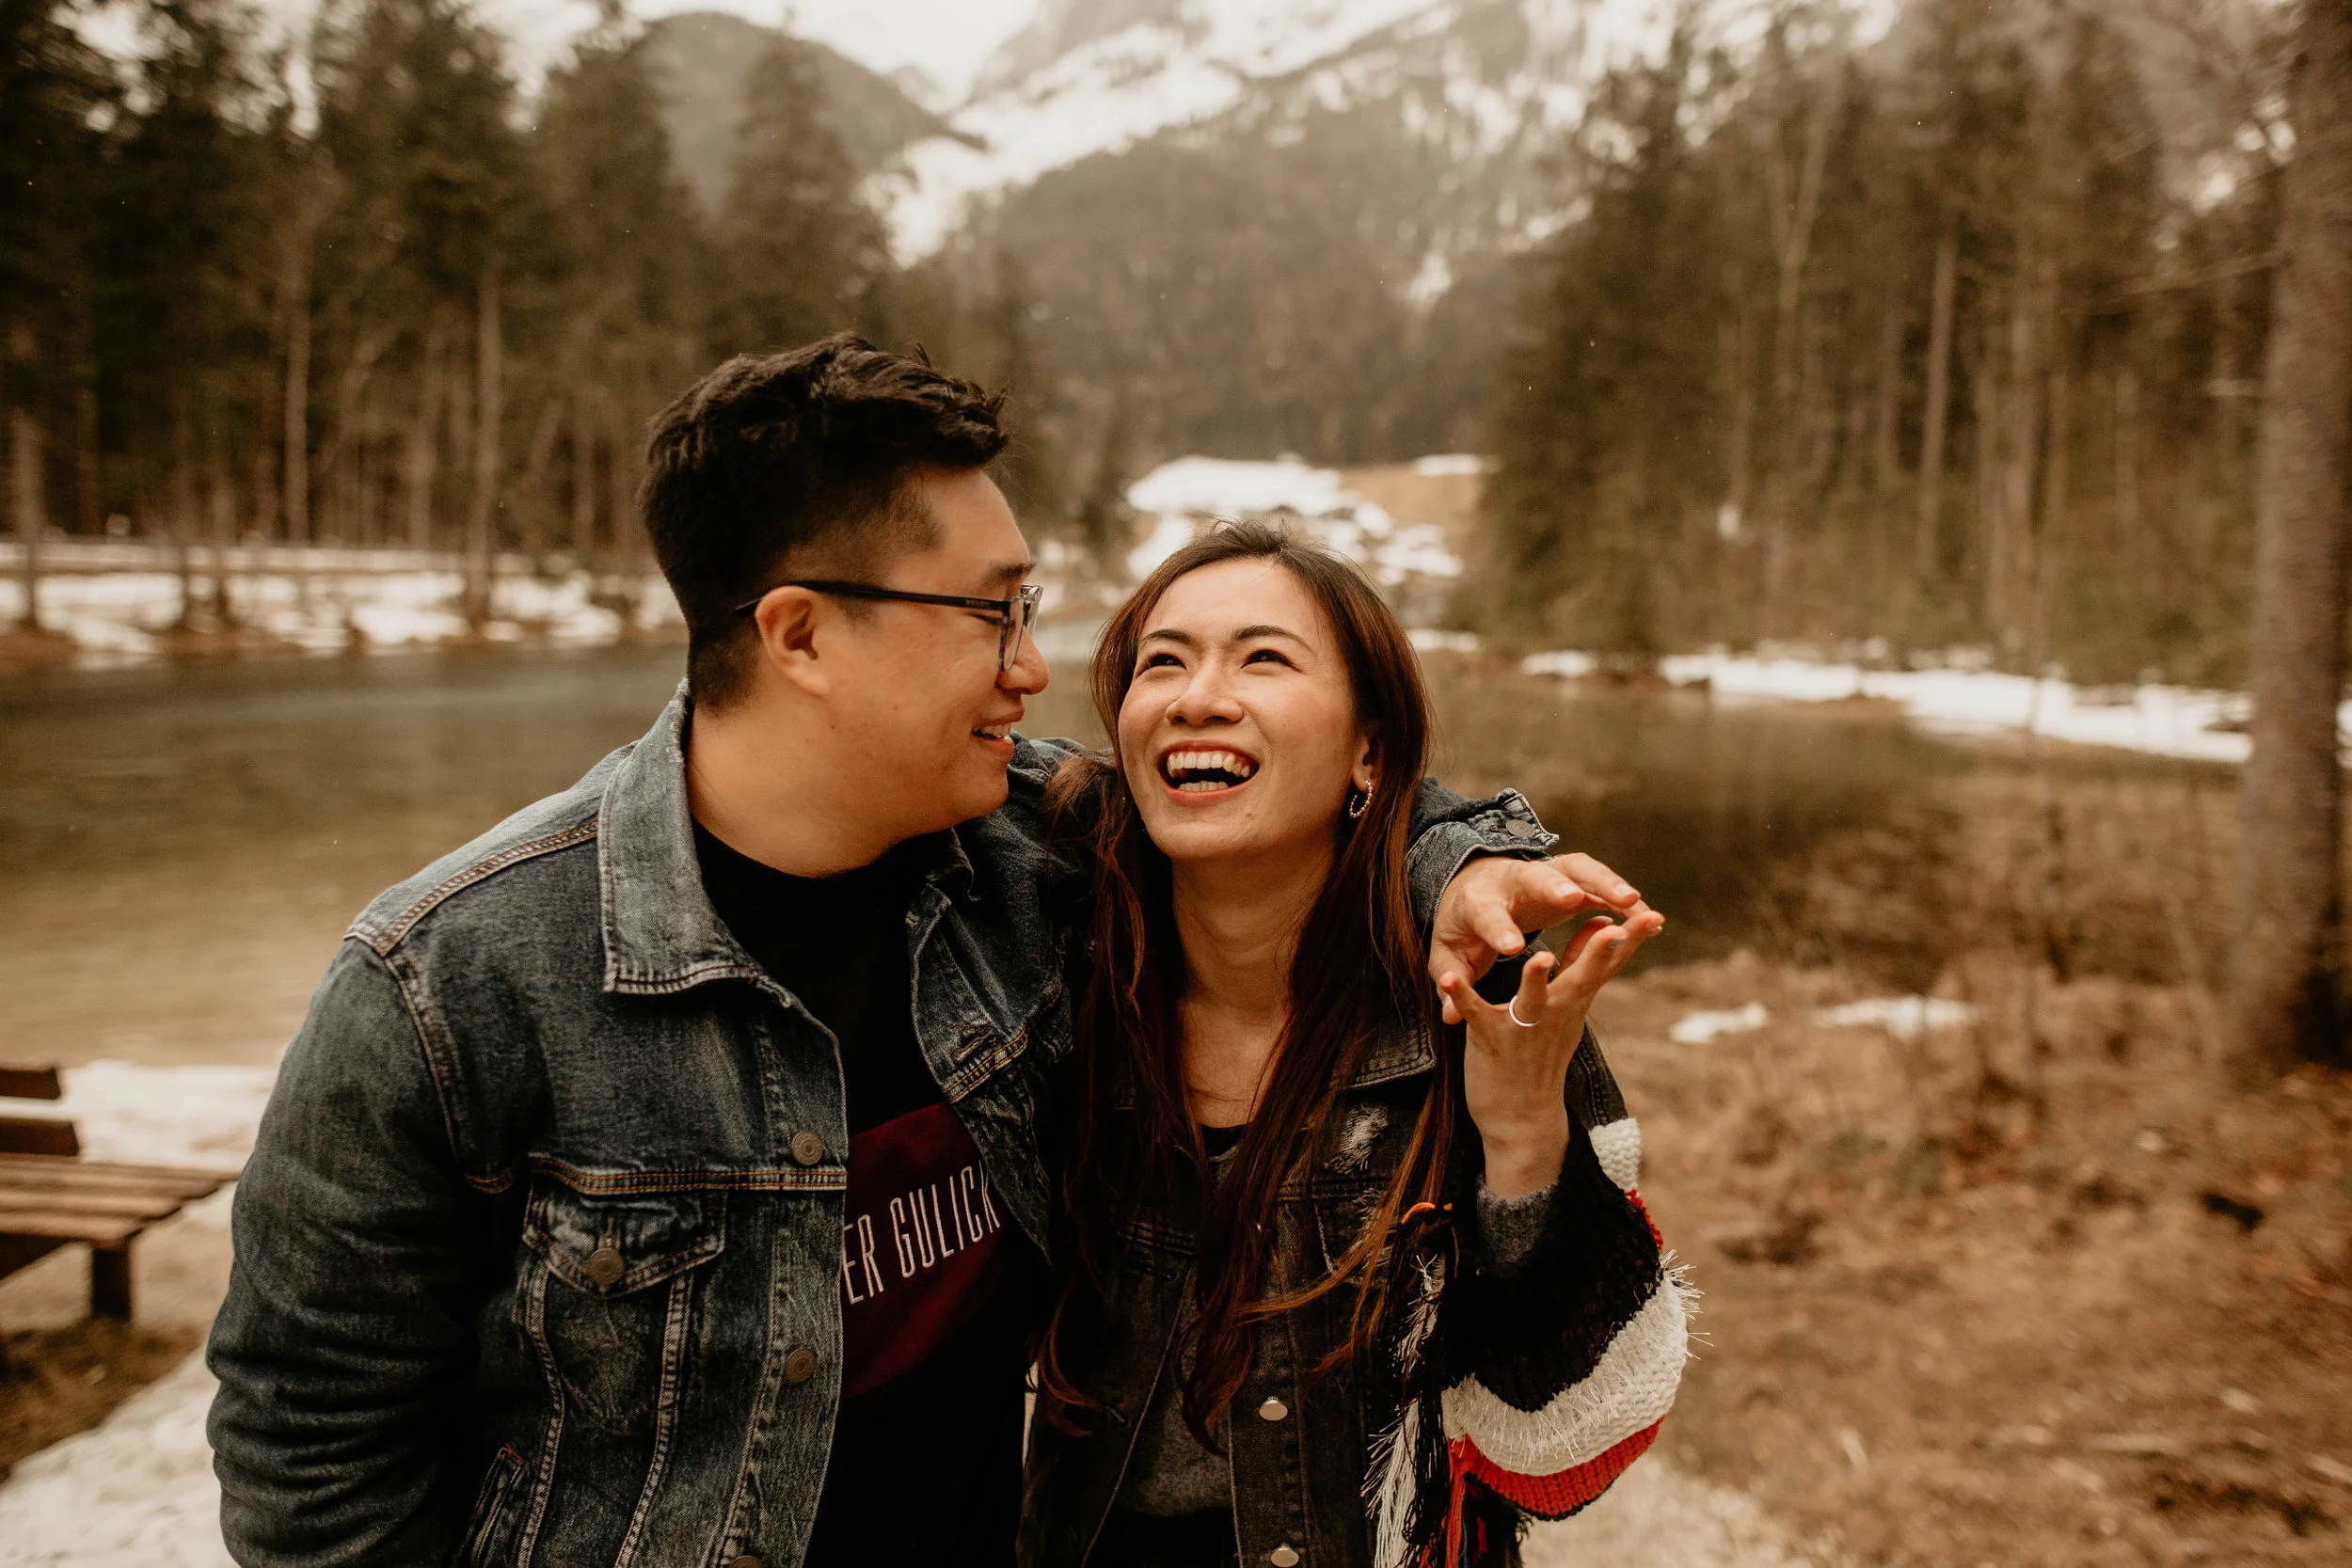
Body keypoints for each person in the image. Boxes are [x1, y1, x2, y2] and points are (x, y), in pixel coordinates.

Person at [204, 336, 1634, 1568]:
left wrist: (1470, 862)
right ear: (802, 633)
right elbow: (309, 1428)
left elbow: (1302, 804)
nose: (1032, 662)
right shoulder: (453, 977)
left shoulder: (1024, 859)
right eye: (993, 610)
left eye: (1033, 614)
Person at [1024, 524, 1689, 1568]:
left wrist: (1522, 1142)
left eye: (1263, 656)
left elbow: (1575, 1451)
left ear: (1366, 750)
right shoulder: (1056, 957)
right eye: (1163, 659)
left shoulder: (1478, 995)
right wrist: (1464, 847)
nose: (1197, 695)